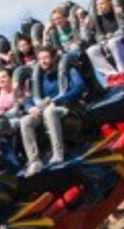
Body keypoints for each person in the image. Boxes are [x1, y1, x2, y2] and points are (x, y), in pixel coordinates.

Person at [19, 44, 87, 175]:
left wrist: (56, 102)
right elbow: (30, 99)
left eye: (46, 58)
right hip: (44, 111)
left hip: (69, 109)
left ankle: (58, 153)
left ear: (54, 57)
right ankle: (34, 161)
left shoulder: (67, 68)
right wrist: (30, 107)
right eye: (40, 59)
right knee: (25, 121)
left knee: (49, 112)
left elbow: (79, 87)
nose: (43, 61)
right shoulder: (39, 77)